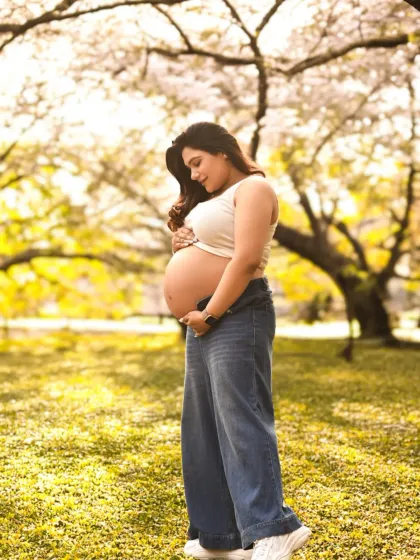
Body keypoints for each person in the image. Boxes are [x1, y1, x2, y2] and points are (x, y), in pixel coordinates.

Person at [164, 122, 311, 560]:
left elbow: (246, 259)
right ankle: (219, 537)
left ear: (222, 152)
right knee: (203, 424)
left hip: (234, 311)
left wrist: (211, 312)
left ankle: (274, 528)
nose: (192, 174)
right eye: (187, 168)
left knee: (240, 417)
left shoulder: (255, 189)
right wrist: (182, 242)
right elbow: (215, 248)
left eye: (197, 163)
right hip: (204, 317)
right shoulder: (214, 200)